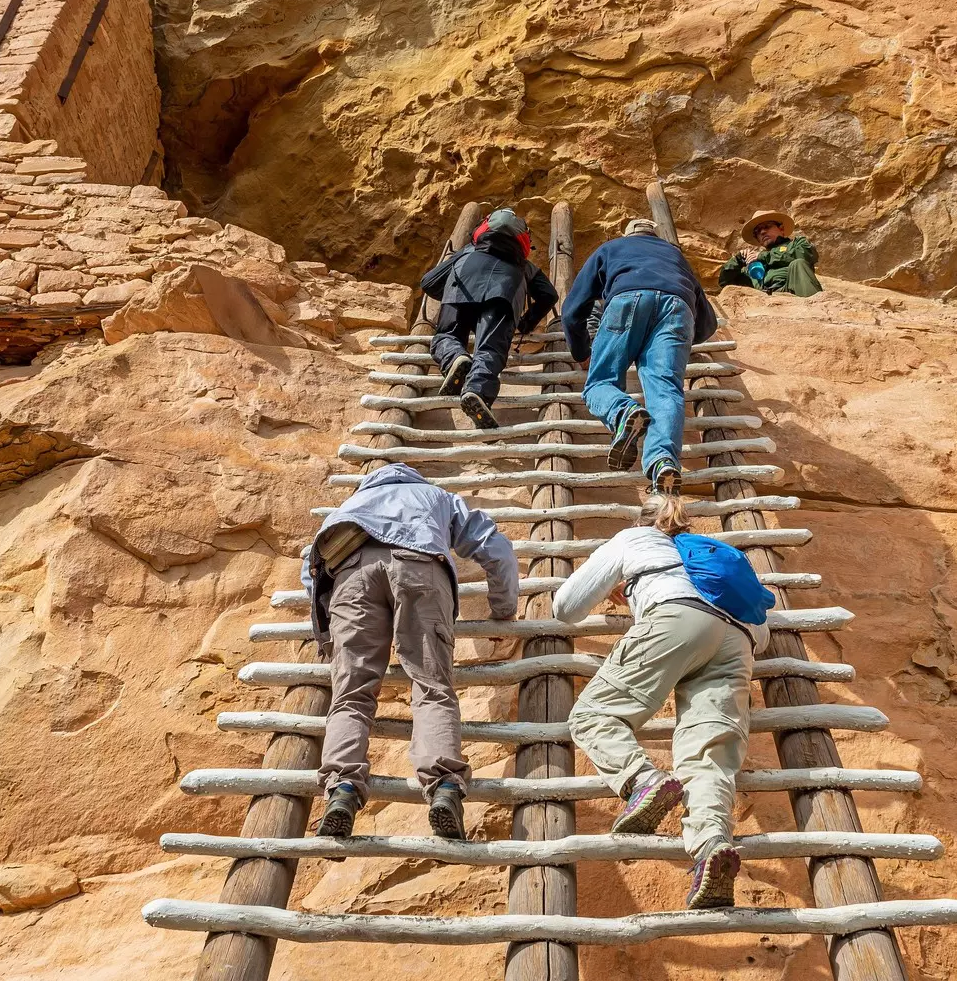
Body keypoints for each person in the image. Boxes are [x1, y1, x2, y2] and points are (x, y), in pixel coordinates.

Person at [556, 494, 775, 910]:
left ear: (644, 520)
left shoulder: (634, 539)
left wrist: (625, 588)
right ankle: (712, 844)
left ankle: (643, 780)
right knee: (707, 756)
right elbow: (763, 634)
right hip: (738, 646)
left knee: (594, 714)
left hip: (677, 618)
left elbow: (566, 608)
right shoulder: (715, 558)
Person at [301, 463, 522, 843]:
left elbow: (312, 569)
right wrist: (503, 608)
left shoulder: (352, 505)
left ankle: (342, 789)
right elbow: (493, 545)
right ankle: (444, 787)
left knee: (351, 695)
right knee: (432, 686)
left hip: (351, 579)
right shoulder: (436, 497)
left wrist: (328, 634)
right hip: (419, 567)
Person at [560, 217, 718, 493]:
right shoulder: (675, 257)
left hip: (627, 299)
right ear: (654, 236)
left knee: (600, 383)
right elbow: (707, 322)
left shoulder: (612, 248)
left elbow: (574, 306)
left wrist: (581, 351)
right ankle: (662, 461)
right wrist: (684, 342)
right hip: (678, 310)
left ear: (628, 234)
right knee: (666, 389)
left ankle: (623, 412)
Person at [419, 208, 560, 429]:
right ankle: (477, 391)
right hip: (503, 295)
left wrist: (449, 292)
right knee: (489, 351)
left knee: (447, 336)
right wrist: (526, 323)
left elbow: (428, 281)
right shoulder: (523, 265)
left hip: (461, 287)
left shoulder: (467, 252)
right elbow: (549, 295)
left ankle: (455, 356)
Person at [717, 210, 822, 297]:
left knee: (798, 263)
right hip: (767, 300)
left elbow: (806, 254)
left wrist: (763, 256)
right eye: (757, 232)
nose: (762, 232)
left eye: (767, 227)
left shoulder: (797, 243)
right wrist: (737, 260)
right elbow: (725, 282)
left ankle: (816, 310)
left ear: (781, 229)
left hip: (795, 291)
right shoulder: (755, 263)